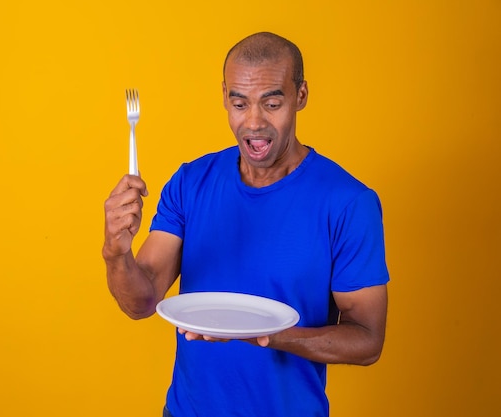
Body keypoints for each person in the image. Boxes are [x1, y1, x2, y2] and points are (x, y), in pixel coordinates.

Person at [102, 31, 389, 417]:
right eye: (239, 103)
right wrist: (116, 253)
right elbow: (141, 303)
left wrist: (272, 336)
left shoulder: (349, 202)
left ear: (300, 95)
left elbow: (367, 341)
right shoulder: (191, 182)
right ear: (224, 96)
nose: (253, 122)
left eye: (272, 103)